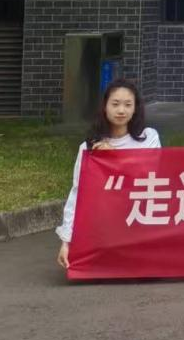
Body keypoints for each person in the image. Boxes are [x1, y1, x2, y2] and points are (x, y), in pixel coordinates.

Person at [56, 79, 161, 269]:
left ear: (135, 108)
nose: (121, 110)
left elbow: (150, 174)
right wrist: (66, 241)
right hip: (105, 224)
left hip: (140, 219)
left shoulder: (149, 138)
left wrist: (113, 157)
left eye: (128, 105)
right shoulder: (89, 147)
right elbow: (78, 193)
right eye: (115, 104)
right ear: (105, 107)